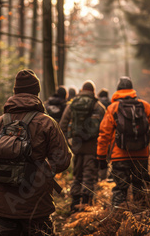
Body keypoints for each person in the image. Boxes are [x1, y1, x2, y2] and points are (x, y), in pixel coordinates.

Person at [0, 69, 72, 235]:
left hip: (2, 209)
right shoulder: (47, 123)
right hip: (37, 208)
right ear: (36, 92)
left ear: (15, 92)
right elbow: (63, 161)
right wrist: (43, 172)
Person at [97, 76, 150, 206]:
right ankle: (142, 219)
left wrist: (101, 157)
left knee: (120, 190)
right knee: (139, 188)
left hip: (119, 156)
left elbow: (104, 134)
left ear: (118, 89)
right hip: (141, 155)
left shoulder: (113, 108)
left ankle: (117, 218)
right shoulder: (144, 105)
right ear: (132, 89)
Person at [59, 80, 106, 213]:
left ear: (81, 90)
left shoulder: (72, 104)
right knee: (89, 176)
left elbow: (62, 125)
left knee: (77, 176)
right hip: (92, 147)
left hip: (77, 147)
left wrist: (68, 143)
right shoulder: (98, 106)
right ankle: (86, 206)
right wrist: (104, 151)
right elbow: (106, 129)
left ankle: (74, 205)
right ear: (93, 91)